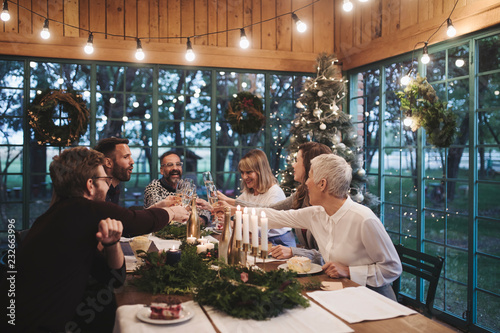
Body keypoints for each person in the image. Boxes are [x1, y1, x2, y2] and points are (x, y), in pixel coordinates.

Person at [1, 147, 188, 332]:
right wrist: (172, 212)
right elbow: (137, 222)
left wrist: (111, 243)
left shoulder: (61, 215)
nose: (108, 185)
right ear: (90, 184)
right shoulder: (85, 209)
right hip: (42, 325)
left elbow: (114, 279)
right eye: (105, 180)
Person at [254, 154, 402, 300]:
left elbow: (392, 268)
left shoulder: (364, 219)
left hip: (375, 301)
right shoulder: (316, 213)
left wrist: (349, 271)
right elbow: (275, 217)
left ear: (322, 184)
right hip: (344, 294)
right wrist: (236, 212)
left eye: (310, 177)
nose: (306, 183)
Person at [218, 149, 296, 247]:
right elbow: (233, 208)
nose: (244, 177)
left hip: (280, 243)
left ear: (261, 172)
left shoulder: (275, 192)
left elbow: (262, 229)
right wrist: (213, 208)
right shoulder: (249, 192)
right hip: (258, 241)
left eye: (249, 172)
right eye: (242, 172)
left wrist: (232, 224)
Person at [143, 151, 211, 224]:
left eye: (178, 164)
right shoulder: (153, 188)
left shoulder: (186, 186)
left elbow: (204, 210)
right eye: (169, 165)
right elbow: (160, 215)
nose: (175, 168)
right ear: (162, 170)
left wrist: (201, 220)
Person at [94, 137, 134, 205]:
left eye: (130, 156)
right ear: (108, 163)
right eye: (125, 157)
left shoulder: (115, 187)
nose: (132, 162)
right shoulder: (97, 193)